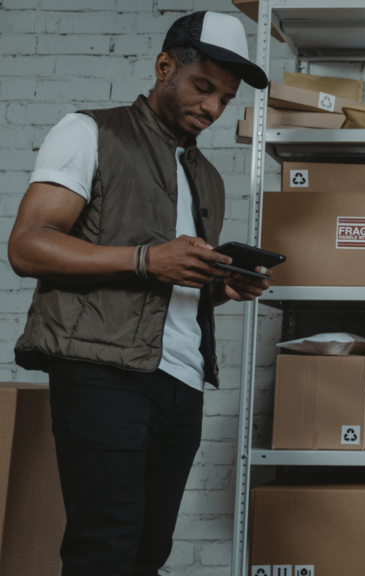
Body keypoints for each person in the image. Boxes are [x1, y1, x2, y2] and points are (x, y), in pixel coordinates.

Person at [7, 11, 270, 575]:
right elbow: (28, 247)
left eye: (224, 100)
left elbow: (169, 286)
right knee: (105, 548)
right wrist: (149, 259)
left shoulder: (207, 178)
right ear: (164, 66)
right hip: (102, 374)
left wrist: (220, 286)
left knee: (149, 553)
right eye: (203, 88)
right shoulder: (89, 131)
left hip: (180, 382)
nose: (212, 109)